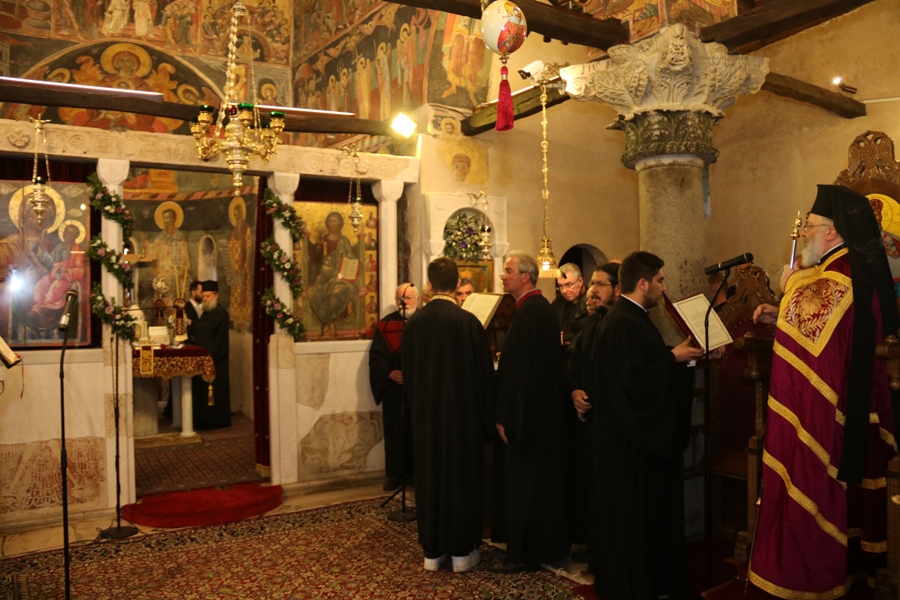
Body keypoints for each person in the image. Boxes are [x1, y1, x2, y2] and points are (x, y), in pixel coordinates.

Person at [748, 185, 899, 599]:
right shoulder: (840, 269)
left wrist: (791, 286)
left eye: (810, 227)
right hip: (851, 401)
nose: (803, 235)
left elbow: (817, 311)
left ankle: (813, 569)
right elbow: (825, 330)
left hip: (842, 407)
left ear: (832, 232)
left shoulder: (843, 272)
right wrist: (782, 311)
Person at [591, 251, 704, 599]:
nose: (663, 287)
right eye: (659, 281)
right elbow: (636, 384)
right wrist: (672, 358)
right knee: (632, 520)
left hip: (629, 440)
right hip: (629, 444)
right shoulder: (624, 321)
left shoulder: (631, 317)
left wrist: (679, 357)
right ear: (643, 284)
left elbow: (645, 361)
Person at [401, 258, 495, 573]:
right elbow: (484, 379)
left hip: (426, 420)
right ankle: (461, 553)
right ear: (456, 285)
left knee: (429, 479)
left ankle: (432, 551)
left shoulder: (414, 323)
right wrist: (487, 423)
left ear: (429, 286)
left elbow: (408, 375)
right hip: (462, 421)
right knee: (460, 480)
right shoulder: (467, 323)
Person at [490, 251, 569, 573]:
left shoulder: (528, 314)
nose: (503, 276)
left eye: (508, 271)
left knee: (524, 488)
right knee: (541, 487)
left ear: (526, 276)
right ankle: (542, 548)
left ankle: (522, 554)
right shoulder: (542, 309)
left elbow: (520, 375)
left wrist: (506, 418)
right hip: (543, 417)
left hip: (526, 421)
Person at [564, 261, 620, 564]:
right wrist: (574, 391)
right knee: (586, 483)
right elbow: (574, 363)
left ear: (618, 289)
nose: (592, 291)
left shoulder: (619, 324)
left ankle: (603, 548)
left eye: (599, 284)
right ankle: (589, 540)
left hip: (607, 420)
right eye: (592, 284)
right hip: (585, 419)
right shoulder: (592, 321)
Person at [368, 283, 418, 491]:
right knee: (395, 431)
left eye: (408, 298)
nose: (404, 302)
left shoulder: (423, 322)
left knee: (416, 431)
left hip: (417, 389)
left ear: (417, 300)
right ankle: (395, 474)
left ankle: (416, 473)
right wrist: (389, 373)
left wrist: (415, 374)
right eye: (400, 298)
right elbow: (376, 356)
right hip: (394, 389)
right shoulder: (387, 324)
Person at [305, 211, 363, 339]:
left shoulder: (344, 241)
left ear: (340, 224)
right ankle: (328, 324)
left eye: (335, 221)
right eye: (330, 221)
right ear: (327, 224)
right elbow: (315, 259)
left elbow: (351, 258)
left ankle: (327, 323)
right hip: (323, 276)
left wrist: (355, 264)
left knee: (339, 290)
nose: (332, 224)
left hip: (341, 275)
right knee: (315, 293)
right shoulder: (323, 239)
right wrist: (319, 246)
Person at [191, 280, 231, 430]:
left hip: (217, 357)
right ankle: (204, 419)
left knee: (215, 390)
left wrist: (193, 324)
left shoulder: (219, 312)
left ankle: (216, 420)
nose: (205, 299)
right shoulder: (208, 311)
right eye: (203, 296)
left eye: (208, 296)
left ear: (216, 296)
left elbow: (208, 330)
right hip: (208, 356)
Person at [551, 263, 588, 345]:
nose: (564, 291)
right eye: (561, 286)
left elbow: (588, 334)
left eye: (569, 285)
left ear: (580, 281)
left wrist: (563, 338)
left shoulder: (591, 303)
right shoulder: (557, 303)